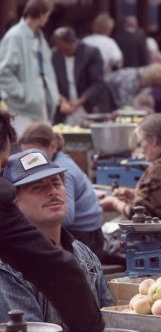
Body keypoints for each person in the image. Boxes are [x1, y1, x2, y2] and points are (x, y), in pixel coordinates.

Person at [0, 111, 105, 331]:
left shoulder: (84, 255)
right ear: (13, 200)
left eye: (56, 183)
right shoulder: (7, 269)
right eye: (37, 187)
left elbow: (109, 315)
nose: (52, 192)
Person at [18, 123, 106, 259]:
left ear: (53, 146)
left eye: (35, 155)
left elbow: (67, 217)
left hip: (85, 236)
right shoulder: (61, 159)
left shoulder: (63, 169)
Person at [0, 0, 59, 135]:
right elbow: (4, 72)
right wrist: (23, 94)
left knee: (43, 148)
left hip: (41, 103)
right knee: (26, 151)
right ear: (41, 14)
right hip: (23, 108)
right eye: (47, 15)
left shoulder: (39, 36)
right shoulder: (15, 36)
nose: (48, 19)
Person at [52, 27, 115, 125]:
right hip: (65, 110)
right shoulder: (54, 55)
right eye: (61, 51)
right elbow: (51, 81)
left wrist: (79, 102)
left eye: (66, 50)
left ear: (73, 42)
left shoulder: (91, 53)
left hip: (89, 106)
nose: (64, 53)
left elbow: (97, 83)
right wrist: (60, 99)